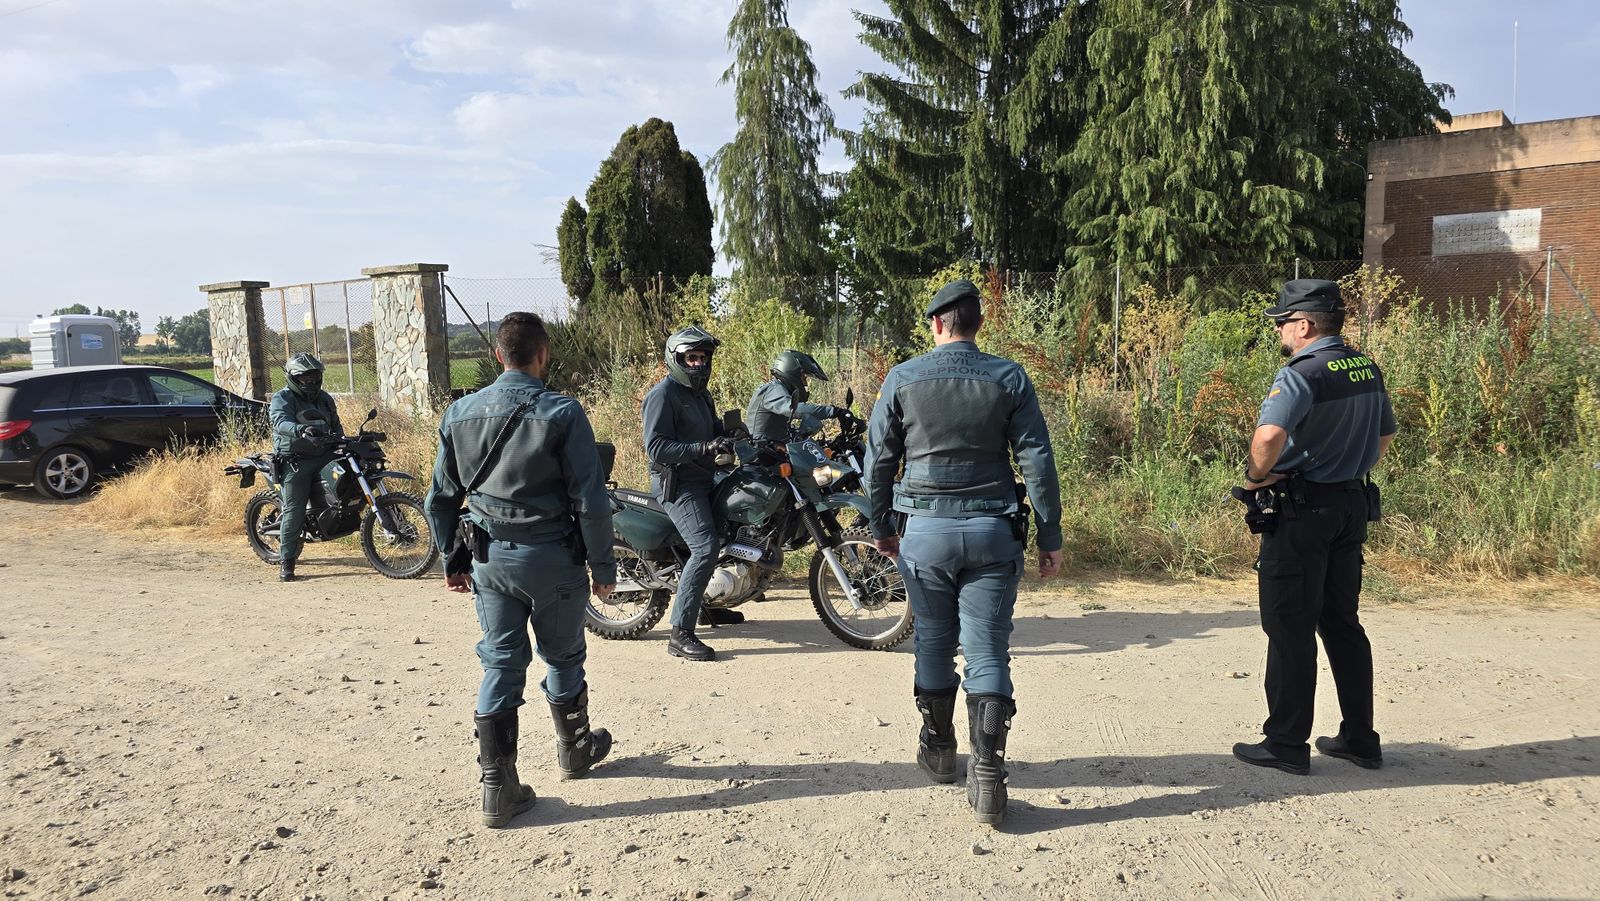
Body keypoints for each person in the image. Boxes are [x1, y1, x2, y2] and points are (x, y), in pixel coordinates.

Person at [864, 278, 1064, 826]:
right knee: (989, 649)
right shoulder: (1008, 377)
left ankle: (938, 748)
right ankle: (989, 777)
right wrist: (1050, 537)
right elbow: (1037, 462)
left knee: (933, 638)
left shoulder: (903, 378)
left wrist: (879, 525)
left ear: (936, 324)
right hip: (994, 531)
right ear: (978, 323)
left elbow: (878, 459)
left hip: (924, 532)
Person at [424, 312, 618, 828]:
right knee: (563, 654)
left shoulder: (460, 413)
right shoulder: (563, 412)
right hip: (553, 558)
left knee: (501, 664)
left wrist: (453, 558)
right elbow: (592, 501)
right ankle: (574, 751)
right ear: (543, 353)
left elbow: (439, 500)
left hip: (488, 562)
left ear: (497, 355)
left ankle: (497, 789)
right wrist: (603, 565)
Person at [1232, 279, 1396, 776]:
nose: (1280, 330)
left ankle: (1285, 744)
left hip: (1302, 511)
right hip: (1350, 504)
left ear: (1304, 325)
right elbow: (1385, 434)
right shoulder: (1365, 366)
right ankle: (1360, 739)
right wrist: (1345, 465)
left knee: (1289, 627)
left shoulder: (1302, 372)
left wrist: (1259, 476)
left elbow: (1269, 436)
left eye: (1283, 322)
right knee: (1342, 623)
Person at [640, 326, 734, 661]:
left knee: (732, 527)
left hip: (706, 476)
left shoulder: (701, 395)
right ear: (677, 359)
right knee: (705, 545)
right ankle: (680, 633)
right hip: (679, 484)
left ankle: (707, 603)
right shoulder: (663, 395)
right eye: (691, 358)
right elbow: (656, 447)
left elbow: (713, 430)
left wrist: (732, 433)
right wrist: (704, 446)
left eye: (703, 358)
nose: (698, 364)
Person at [268, 353, 344, 582]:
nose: (311, 381)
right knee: (294, 509)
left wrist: (343, 441)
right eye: (305, 377)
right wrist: (301, 430)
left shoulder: (324, 399)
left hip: (324, 453)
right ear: (293, 378)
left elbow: (336, 424)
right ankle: (287, 562)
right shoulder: (282, 398)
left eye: (314, 376)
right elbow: (280, 421)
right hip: (296, 460)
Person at [745, 349, 856, 445]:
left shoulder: (781, 390)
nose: (805, 384)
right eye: (803, 378)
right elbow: (796, 409)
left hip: (775, 451)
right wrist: (834, 411)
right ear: (792, 373)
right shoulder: (773, 389)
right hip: (761, 458)